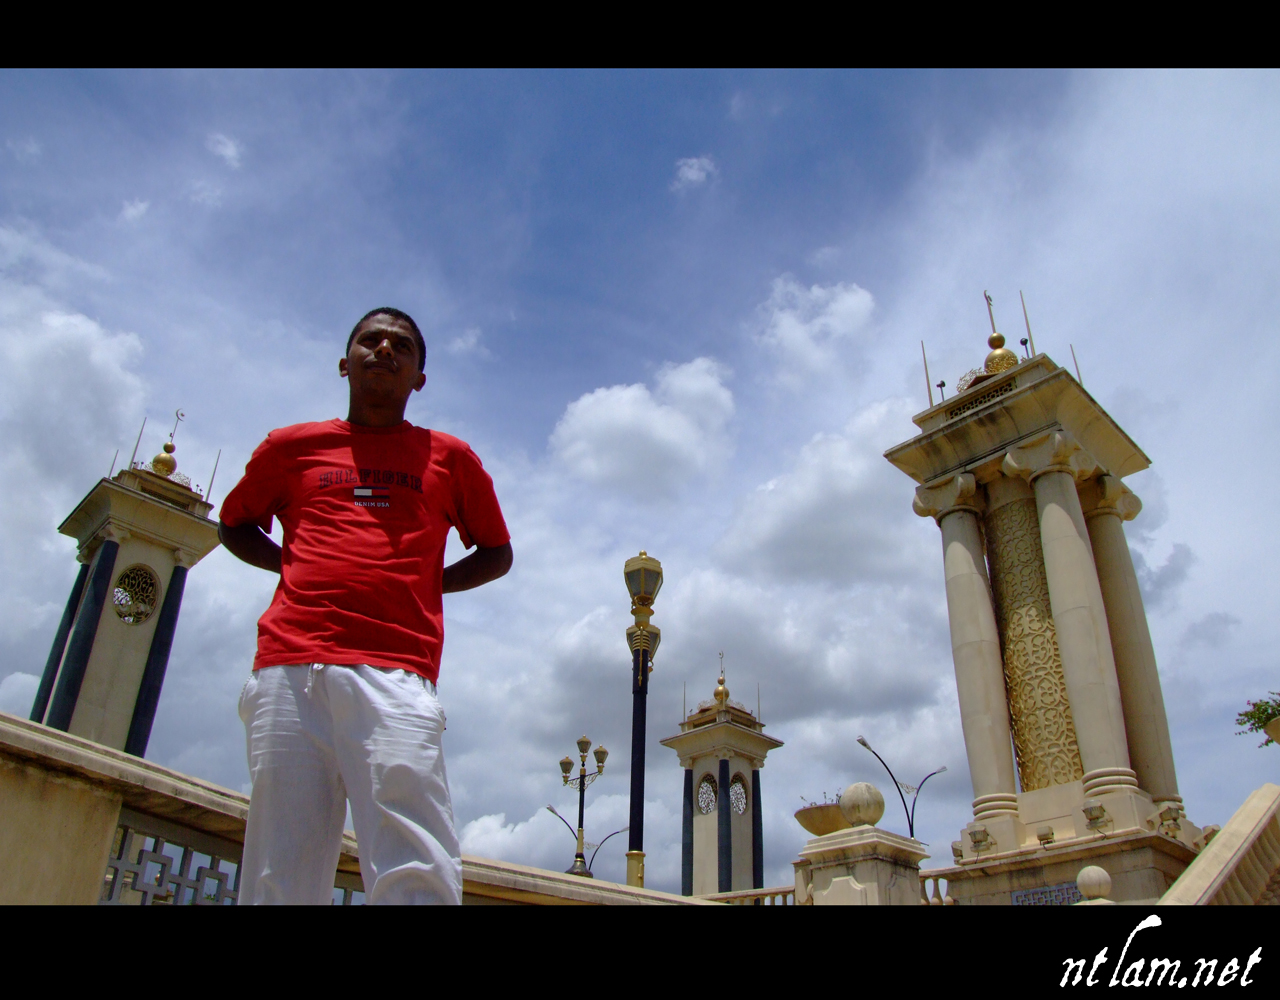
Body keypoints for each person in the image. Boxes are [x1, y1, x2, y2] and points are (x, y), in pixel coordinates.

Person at [217, 306, 512, 904]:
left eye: (402, 346)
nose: (385, 351)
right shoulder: (290, 448)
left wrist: (429, 582)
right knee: (280, 861)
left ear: (419, 378)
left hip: (397, 670)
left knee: (415, 852)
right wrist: (294, 564)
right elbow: (234, 525)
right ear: (344, 363)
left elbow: (497, 551)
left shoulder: (450, 458)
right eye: (369, 341)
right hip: (288, 666)